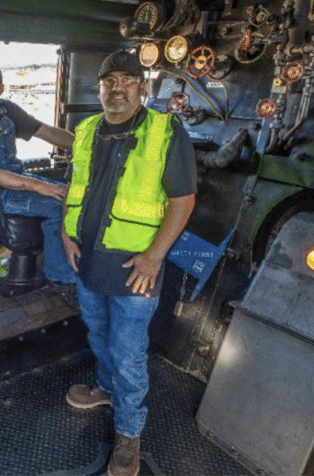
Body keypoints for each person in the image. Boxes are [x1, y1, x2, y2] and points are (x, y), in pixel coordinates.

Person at [60, 50, 197, 476]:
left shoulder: (165, 130)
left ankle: (129, 431)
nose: (116, 88)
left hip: (137, 267)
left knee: (128, 351)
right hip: (90, 260)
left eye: (127, 80)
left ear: (142, 87)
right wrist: (66, 234)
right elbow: (75, 186)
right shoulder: (85, 130)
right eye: (109, 81)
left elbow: (183, 199)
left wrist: (155, 257)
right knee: (99, 333)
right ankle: (105, 389)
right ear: (98, 87)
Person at [0, 61, 79, 287]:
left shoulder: (8, 111)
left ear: (0, 89)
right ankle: (61, 276)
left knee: (73, 196)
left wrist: (83, 146)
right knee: (59, 205)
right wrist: (39, 186)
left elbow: (45, 131)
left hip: (17, 181)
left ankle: (64, 262)